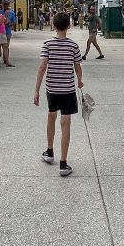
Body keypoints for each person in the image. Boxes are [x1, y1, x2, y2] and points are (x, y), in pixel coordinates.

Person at [34, 12, 83, 177]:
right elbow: (77, 66)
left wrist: (36, 90)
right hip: (68, 89)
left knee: (51, 116)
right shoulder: (73, 46)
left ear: (53, 25)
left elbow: (42, 67)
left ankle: (49, 151)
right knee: (65, 123)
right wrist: (80, 80)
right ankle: (63, 163)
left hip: (52, 89)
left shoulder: (47, 44)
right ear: (69, 26)